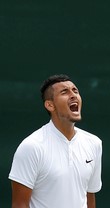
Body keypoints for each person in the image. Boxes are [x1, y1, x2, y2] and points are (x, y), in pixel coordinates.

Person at [9, 74, 102, 208]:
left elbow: (89, 197)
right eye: (64, 92)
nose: (73, 95)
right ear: (50, 105)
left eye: (75, 91)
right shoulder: (31, 147)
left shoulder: (94, 143)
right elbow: (19, 205)